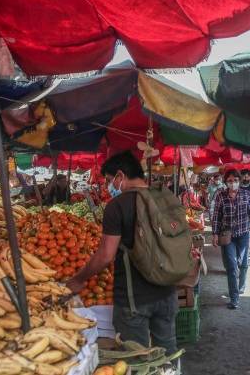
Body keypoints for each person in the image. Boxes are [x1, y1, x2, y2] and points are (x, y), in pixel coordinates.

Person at [66, 151, 178, 353]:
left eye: (109, 180)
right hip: (168, 292)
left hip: (134, 300)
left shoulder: (117, 206)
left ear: (120, 176)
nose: (109, 186)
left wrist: (80, 278)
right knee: (168, 354)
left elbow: (106, 255)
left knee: (137, 358)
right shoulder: (166, 198)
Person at [211, 169, 250, 309]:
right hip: (227, 235)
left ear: (239, 181)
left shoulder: (247, 194)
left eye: (235, 180)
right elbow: (216, 216)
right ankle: (234, 298)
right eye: (230, 181)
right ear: (226, 182)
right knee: (232, 266)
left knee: (243, 264)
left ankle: (241, 286)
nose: (233, 183)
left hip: (243, 234)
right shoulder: (221, 196)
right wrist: (214, 234)